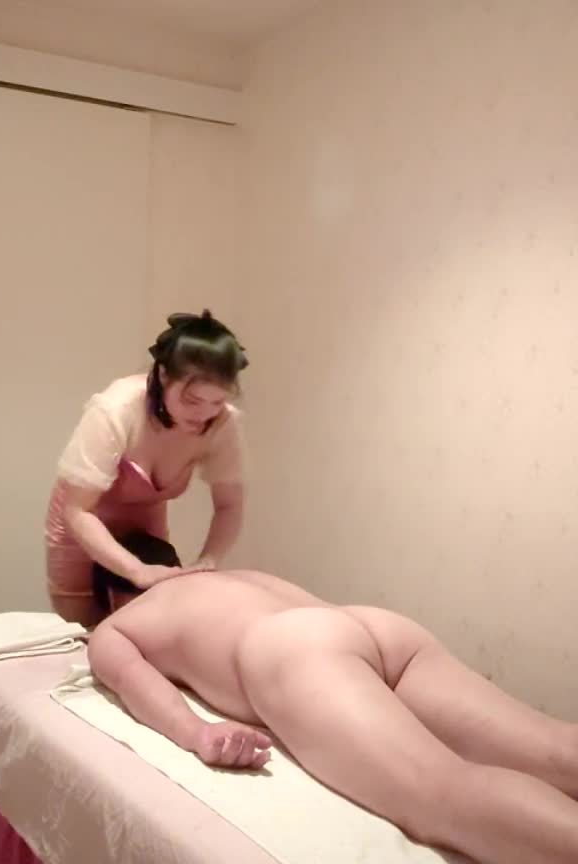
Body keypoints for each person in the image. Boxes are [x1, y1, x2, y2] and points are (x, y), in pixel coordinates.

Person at [88, 533, 578, 864]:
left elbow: (135, 685)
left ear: (109, 595)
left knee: (442, 794)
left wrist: (199, 734)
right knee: (554, 748)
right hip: (371, 627)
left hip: (294, 650)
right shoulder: (230, 576)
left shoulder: (116, 626)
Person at [45, 311, 247, 626]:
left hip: (145, 525)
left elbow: (229, 505)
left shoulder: (221, 423)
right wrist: (136, 570)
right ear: (164, 375)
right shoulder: (116, 410)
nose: (205, 414)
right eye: (193, 401)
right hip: (82, 524)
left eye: (217, 402)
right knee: (86, 632)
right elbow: (78, 511)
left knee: (151, 625)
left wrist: (208, 561)